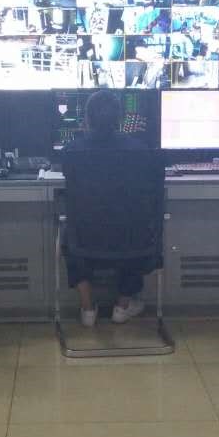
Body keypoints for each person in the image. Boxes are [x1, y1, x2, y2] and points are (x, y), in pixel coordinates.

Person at [63, 89, 150, 328]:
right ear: (120, 119)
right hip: (127, 237)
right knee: (139, 228)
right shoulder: (139, 151)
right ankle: (122, 306)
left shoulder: (72, 151)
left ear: (87, 119)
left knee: (69, 233)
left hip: (85, 237)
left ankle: (87, 308)